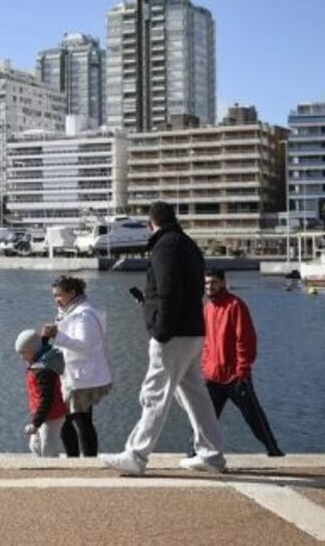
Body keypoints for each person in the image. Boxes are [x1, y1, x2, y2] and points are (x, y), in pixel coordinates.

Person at [101, 201, 226, 476]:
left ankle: (136, 455)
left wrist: (160, 329)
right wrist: (152, 306)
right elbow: (181, 290)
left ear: (150, 223)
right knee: (196, 396)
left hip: (173, 333)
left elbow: (168, 291)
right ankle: (212, 455)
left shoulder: (164, 246)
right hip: (193, 330)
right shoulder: (188, 244)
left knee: (154, 393)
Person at [196, 268, 284, 457]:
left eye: (213, 282)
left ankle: (273, 449)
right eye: (206, 283)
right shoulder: (207, 308)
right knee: (203, 419)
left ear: (222, 282)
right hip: (213, 377)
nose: (209, 287)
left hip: (236, 377)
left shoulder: (236, 306)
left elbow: (245, 340)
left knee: (254, 417)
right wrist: (205, 366)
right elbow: (206, 343)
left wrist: (242, 372)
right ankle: (193, 453)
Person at [40, 275, 112, 457]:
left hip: (82, 376)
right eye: (54, 295)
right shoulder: (71, 310)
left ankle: (86, 460)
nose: (56, 299)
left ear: (72, 293)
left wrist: (58, 336)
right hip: (74, 374)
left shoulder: (84, 315)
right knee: (69, 420)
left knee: (79, 420)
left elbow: (85, 344)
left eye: (59, 295)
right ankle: (76, 459)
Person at [15, 328, 67, 457]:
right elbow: (40, 344)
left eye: (23, 353)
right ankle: (44, 467)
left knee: (48, 448)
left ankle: (53, 473)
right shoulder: (37, 360)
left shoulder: (43, 371)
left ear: (33, 351)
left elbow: (46, 399)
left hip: (52, 415)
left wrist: (36, 423)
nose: (21, 357)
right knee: (35, 445)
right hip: (41, 415)